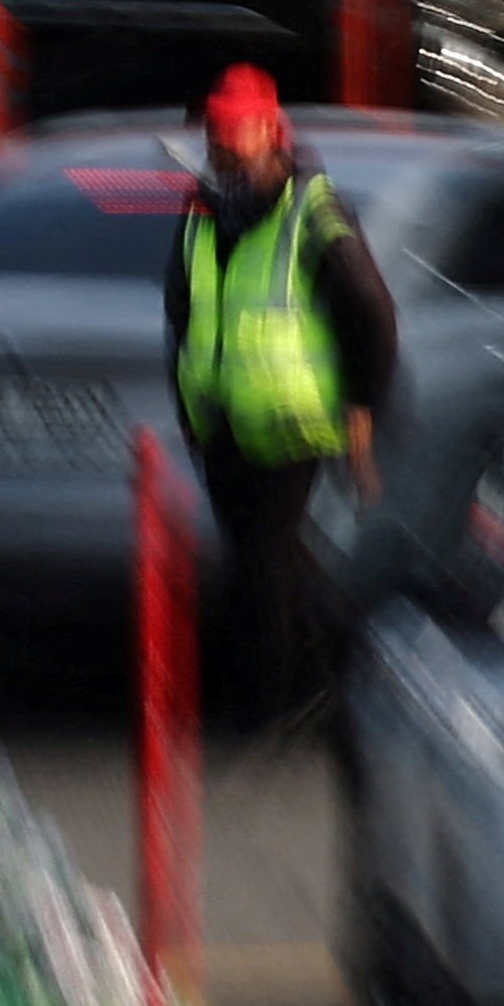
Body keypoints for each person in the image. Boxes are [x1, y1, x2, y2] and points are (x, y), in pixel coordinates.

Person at [167, 62, 397, 718]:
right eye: (215, 136)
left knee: (262, 566)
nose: (222, 149)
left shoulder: (313, 210)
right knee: (265, 563)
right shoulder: (204, 211)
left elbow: (371, 314)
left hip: (292, 420)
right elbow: (182, 312)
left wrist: (361, 410)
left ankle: (276, 702)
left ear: (272, 134)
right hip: (223, 423)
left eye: (234, 136)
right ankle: (319, 683)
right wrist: (187, 404)